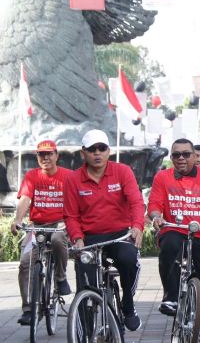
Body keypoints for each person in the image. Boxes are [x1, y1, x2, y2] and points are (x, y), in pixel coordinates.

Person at [63, 129, 145, 332]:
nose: (97, 153)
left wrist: (137, 226)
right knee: (86, 283)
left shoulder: (123, 171)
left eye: (102, 148)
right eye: (92, 149)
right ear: (83, 153)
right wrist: (77, 238)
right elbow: (70, 216)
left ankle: (128, 304)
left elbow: (136, 202)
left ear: (109, 151)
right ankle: (86, 331)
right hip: (90, 239)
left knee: (129, 259)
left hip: (119, 235)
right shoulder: (73, 180)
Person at [148, 138, 200, 343]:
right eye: (176, 155)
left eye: (186, 154)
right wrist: (156, 217)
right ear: (171, 157)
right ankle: (171, 297)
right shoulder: (162, 177)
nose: (181, 158)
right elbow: (154, 204)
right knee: (170, 245)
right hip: (175, 229)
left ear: (194, 155)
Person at [11, 140, 73, 326]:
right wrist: (18, 220)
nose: (45, 158)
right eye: (41, 154)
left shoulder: (68, 176)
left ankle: (60, 278)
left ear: (56, 155)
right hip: (37, 225)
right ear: (37, 157)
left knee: (58, 238)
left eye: (49, 154)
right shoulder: (32, 176)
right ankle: (29, 309)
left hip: (60, 224)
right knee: (26, 261)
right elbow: (25, 199)